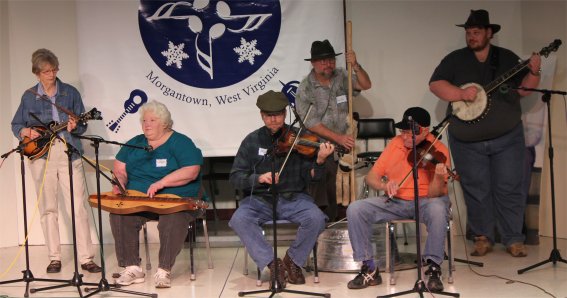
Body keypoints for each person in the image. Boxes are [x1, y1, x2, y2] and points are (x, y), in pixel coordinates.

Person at [429, 9, 541, 257]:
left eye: (477, 32)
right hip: (467, 141)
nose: (472, 36)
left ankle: (513, 238)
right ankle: (483, 237)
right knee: (476, 189)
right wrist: (460, 94)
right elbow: (435, 84)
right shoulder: (455, 60)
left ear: (489, 33)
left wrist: (534, 72)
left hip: (507, 137)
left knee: (510, 187)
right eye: (469, 32)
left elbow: (524, 91)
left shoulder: (507, 58)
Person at [229, 90, 333, 289]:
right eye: (268, 115)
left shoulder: (299, 139)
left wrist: (319, 161)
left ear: (285, 114)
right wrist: (259, 178)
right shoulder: (252, 141)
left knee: (317, 218)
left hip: (294, 198)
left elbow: (313, 178)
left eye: (277, 114)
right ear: (261, 116)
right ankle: (273, 264)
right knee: (238, 219)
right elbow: (235, 177)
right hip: (260, 199)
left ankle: (293, 260)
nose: (273, 119)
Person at [10, 48, 101, 274]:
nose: (51, 74)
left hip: (68, 150)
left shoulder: (69, 93)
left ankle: (86, 258)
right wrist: (26, 133)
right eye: (47, 71)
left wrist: (75, 125)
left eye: (54, 70)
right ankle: (54, 257)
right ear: (37, 73)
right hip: (40, 155)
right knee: (48, 208)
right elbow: (16, 125)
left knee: (78, 207)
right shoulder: (29, 96)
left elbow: (82, 123)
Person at [346, 107, 451, 292]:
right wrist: (384, 186)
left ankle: (433, 267)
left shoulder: (439, 151)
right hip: (396, 202)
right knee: (355, 209)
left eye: (410, 132)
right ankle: (369, 267)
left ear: (425, 131)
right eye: (403, 131)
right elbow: (371, 177)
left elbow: (436, 193)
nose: (404, 136)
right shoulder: (395, 144)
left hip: (427, 201)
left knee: (437, 208)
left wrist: (437, 176)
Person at [110, 100, 204, 288]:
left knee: (173, 218)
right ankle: (132, 268)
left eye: (152, 120)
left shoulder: (180, 142)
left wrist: (162, 183)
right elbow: (119, 169)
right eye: (144, 120)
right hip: (141, 200)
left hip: (176, 199)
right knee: (120, 214)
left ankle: (163, 270)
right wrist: (119, 183)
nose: (147, 124)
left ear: (165, 123)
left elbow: (192, 170)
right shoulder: (135, 143)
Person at [295, 39, 372, 221]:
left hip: (344, 144)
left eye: (330, 59)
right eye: (322, 61)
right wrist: (337, 138)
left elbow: (365, 84)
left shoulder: (341, 76)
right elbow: (311, 123)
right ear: (313, 63)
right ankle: (325, 222)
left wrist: (356, 65)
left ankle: (343, 222)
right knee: (327, 182)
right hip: (319, 145)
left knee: (345, 185)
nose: (328, 64)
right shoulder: (305, 88)